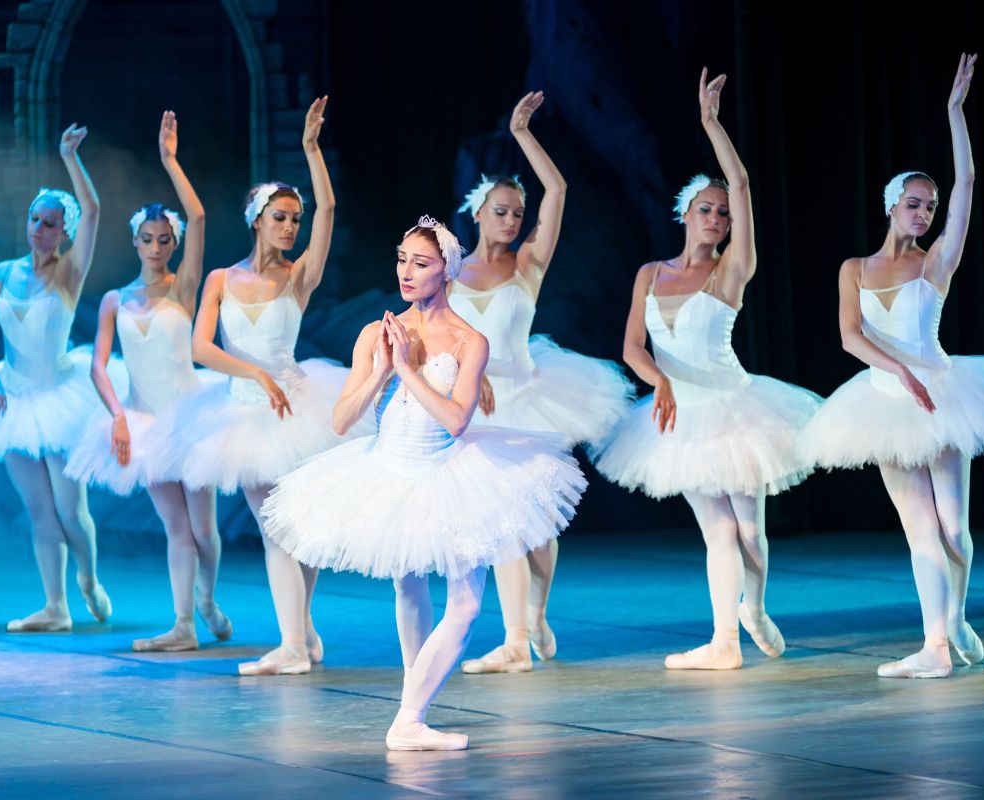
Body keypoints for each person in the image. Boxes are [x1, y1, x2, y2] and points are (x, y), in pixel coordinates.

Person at [261, 216, 585, 750]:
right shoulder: (376, 332)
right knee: (407, 584)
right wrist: (383, 369)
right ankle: (412, 716)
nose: (406, 272)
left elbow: (458, 420)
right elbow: (341, 420)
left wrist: (407, 369)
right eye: (402, 259)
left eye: (421, 262)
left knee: (466, 603)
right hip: (388, 468)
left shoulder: (468, 341)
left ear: (447, 271)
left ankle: (412, 713)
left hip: (449, 470)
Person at [595, 70, 821, 670]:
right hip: (678, 415)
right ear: (685, 214)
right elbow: (632, 348)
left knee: (749, 529)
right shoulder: (650, 274)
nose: (717, 217)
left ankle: (755, 608)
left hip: (736, 407)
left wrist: (711, 124)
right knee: (715, 529)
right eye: (706, 209)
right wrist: (660, 381)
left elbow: (742, 182)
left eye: (722, 212)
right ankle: (723, 642)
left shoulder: (731, 271)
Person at [156, 97, 365, 675]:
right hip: (244, 414)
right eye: (280, 217)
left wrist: (311, 149)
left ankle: (298, 639)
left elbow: (328, 206)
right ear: (256, 220)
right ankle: (298, 642)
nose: (291, 226)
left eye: (294, 219)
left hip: (298, 407)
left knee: (302, 526)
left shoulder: (299, 279)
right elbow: (200, 348)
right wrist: (252, 372)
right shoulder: (223, 278)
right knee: (277, 526)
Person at [802, 55, 984, 678]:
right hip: (884, 403)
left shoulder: (935, 263)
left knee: (954, 530)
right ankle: (934, 646)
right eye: (913, 203)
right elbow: (849, 336)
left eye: (929, 206)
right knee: (919, 530)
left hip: (941, 394)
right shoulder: (853, 269)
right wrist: (897, 372)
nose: (924, 212)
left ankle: (957, 616)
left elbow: (968, 187)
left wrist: (954, 113)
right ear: (891, 207)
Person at [451, 91, 633, 674]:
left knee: (537, 522)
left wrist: (522, 134)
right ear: (477, 211)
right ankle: (513, 642)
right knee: (500, 519)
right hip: (475, 407)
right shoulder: (450, 270)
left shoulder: (527, 262)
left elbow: (556, 192)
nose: (510, 219)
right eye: (500, 210)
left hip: (531, 396)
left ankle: (533, 615)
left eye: (516, 212)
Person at [65, 111, 231, 651]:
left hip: (192, 418)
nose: (156, 247)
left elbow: (200, 217)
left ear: (173, 244)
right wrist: (117, 415)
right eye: (148, 238)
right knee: (175, 527)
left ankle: (206, 598)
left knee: (204, 531)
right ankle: (183, 624)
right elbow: (98, 364)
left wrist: (169, 160)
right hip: (145, 421)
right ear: (135, 241)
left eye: (164, 239)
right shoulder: (116, 299)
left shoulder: (184, 290)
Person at [0, 123, 115, 633]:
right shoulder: (4, 272)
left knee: (71, 513)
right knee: (39, 512)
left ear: (63, 231)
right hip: (15, 400)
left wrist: (70, 156)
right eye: (34, 219)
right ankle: (55, 606)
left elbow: (93, 211)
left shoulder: (68, 274)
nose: (39, 229)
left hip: (60, 398)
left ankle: (88, 580)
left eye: (50, 223)